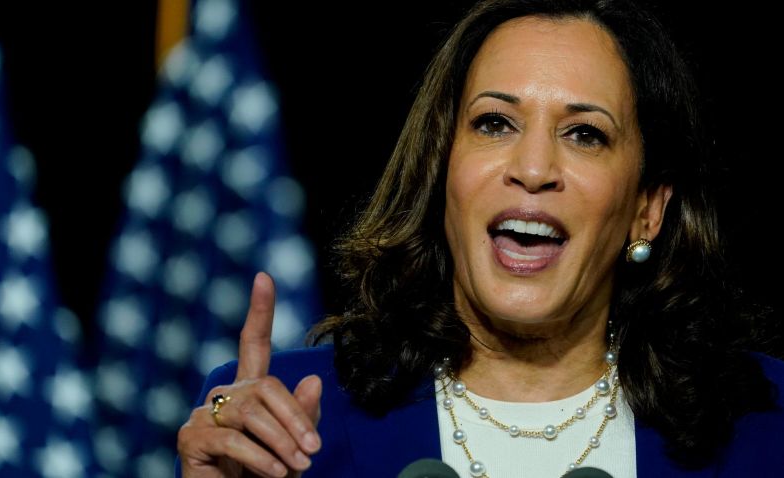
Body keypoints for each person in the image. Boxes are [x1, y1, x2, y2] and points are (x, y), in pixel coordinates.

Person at [176, 0, 784, 477]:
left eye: (585, 134)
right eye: (495, 123)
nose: (534, 167)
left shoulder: (768, 422)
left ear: (647, 211)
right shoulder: (278, 424)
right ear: (444, 173)